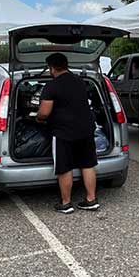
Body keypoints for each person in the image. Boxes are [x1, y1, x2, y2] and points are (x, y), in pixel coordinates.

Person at [37, 53, 100, 214]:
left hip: (63, 132)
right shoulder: (80, 81)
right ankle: (91, 200)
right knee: (88, 164)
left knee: (64, 167)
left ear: (52, 68)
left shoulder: (52, 86)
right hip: (86, 129)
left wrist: (37, 118)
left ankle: (66, 203)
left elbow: (44, 113)